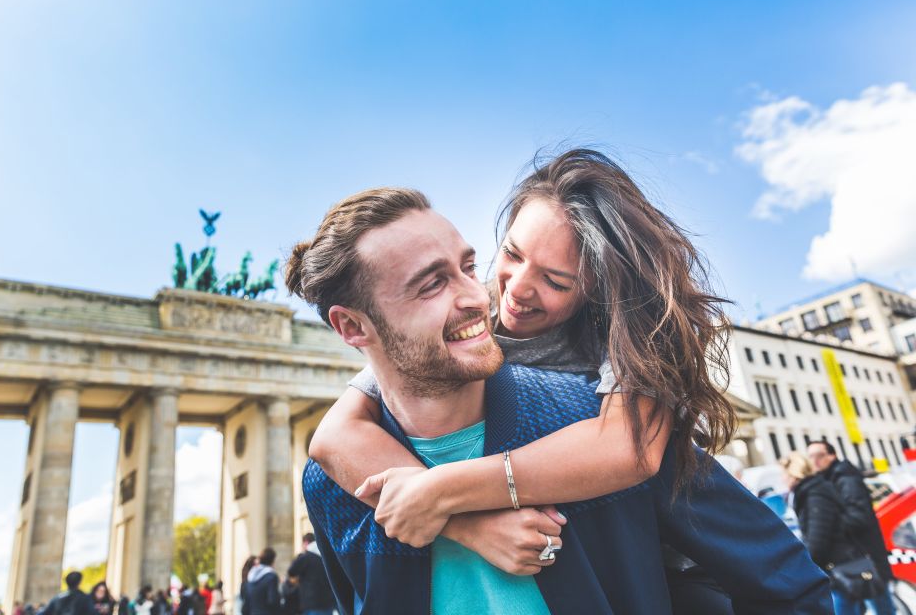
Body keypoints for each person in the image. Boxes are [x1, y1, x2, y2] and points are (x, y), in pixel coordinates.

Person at [305, 154, 831, 612]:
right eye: (508, 255)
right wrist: (467, 524)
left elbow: (629, 450)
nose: (508, 294)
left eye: (556, 281)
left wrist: (445, 489)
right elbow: (333, 437)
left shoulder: (622, 351)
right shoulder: (457, 322)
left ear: (599, 291)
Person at [808, 440, 896, 614]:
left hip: (866, 556)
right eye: (811, 456)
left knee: (880, 605)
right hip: (856, 559)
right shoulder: (828, 479)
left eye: (819, 455)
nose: (814, 461)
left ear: (832, 455)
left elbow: (859, 517)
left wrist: (828, 524)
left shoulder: (845, 479)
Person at [781, 452, 873, 615]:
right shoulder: (812, 490)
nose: (782, 479)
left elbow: (818, 540)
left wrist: (803, 568)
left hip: (839, 571)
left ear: (793, 474)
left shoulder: (814, 494)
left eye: (783, 475)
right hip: (840, 568)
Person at [287, 533, 335, 615]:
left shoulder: (306, 557)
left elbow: (291, 571)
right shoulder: (326, 555)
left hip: (311, 602)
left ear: (305, 543)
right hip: (328, 602)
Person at [240, 548, 283, 615]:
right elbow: (273, 601)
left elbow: (246, 604)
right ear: (272, 561)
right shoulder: (271, 576)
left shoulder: (250, 576)